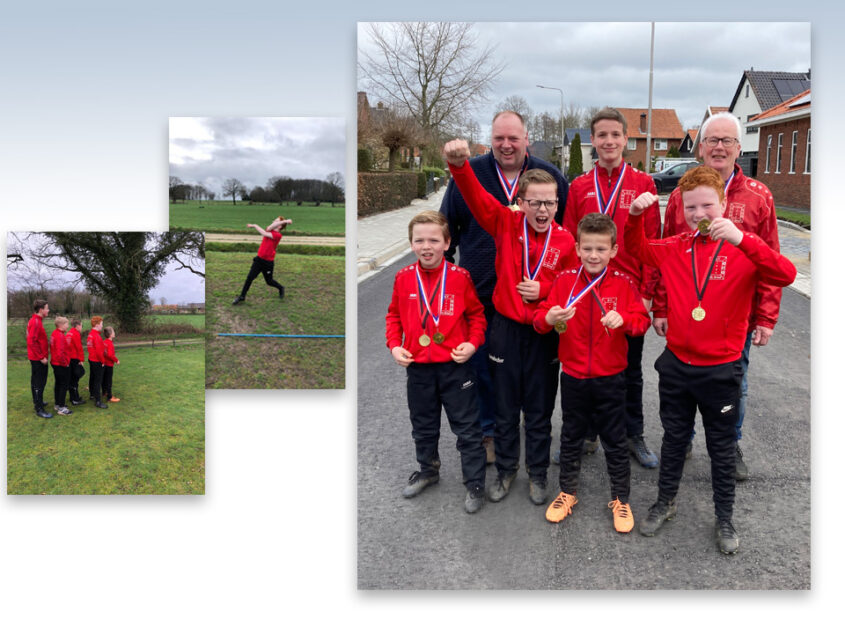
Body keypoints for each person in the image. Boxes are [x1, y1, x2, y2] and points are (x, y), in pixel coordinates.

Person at [625, 166, 796, 554]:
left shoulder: (744, 245)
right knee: (673, 441)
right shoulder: (677, 245)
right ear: (681, 210)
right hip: (678, 366)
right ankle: (665, 502)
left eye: (707, 205)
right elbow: (639, 250)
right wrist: (635, 217)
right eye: (690, 208)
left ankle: (724, 516)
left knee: (720, 448)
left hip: (722, 369)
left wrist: (742, 239)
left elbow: (785, 274)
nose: (699, 214)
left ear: (723, 204)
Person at [444, 137, 576, 506]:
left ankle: (537, 473)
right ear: (520, 203)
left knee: (539, 408)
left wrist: (545, 289)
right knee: (504, 407)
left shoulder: (566, 241)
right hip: (504, 328)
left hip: (544, 331)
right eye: (535, 201)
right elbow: (475, 197)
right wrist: (459, 166)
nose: (543, 209)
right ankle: (505, 470)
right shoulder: (505, 222)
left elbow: (568, 289)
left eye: (550, 202)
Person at [653, 112, 782, 479]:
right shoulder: (681, 196)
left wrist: (767, 317)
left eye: (727, 141)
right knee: (682, 382)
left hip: (735, 317)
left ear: (739, 149)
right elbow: (666, 255)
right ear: (700, 148)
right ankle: (684, 438)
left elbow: (772, 261)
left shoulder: (759, 197)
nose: (720, 147)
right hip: (686, 313)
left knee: (735, 384)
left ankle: (730, 442)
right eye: (713, 140)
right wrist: (660, 306)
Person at [534, 213, 650, 532]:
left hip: (611, 377)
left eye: (601, 249)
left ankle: (621, 499)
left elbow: (642, 322)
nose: (594, 255)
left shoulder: (624, 283)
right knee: (571, 436)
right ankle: (567, 492)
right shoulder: (564, 280)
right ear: (577, 247)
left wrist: (624, 320)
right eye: (587, 248)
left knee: (615, 439)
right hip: (573, 375)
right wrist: (549, 317)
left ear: (613, 250)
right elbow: (540, 319)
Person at [562, 107, 662, 468]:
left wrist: (648, 292)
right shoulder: (579, 186)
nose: (608, 141)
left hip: (628, 293)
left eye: (615, 135)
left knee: (629, 370)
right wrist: (572, 290)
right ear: (593, 140)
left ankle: (632, 433)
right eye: (601, 135)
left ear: (625, 139)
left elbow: (653, 243)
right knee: (586, 365)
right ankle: (588, 432)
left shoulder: (643, 184)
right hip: (587, 292)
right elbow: (570, 239)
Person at [385, 210, 488, 514]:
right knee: (423, 425)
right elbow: (393, 315)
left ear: (447, 243)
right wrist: (394, 346)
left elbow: (476, 316)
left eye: (433, 240)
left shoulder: (460, 278)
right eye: (419, 240)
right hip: (418, 367)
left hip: (455, 367)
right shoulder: (403, 278)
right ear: (411, 244)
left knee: (468, 429)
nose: (426, 246)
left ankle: (475, 482)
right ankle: (428, 470)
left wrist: (472, 343)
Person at [232, 216, 293, 305]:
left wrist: (286, 221)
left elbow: (264, 234)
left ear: (280, 226)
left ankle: (281, 288)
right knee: (249, 278)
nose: (274, 222)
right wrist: (255, 225)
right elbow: (267, 229)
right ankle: (242, 296)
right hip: (259, 260)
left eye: (276, 221)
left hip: (268, 263)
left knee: (269, 281)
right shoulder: (269, 229)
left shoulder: (278, 235)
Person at [27, 299, 52, 419]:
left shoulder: (36, 321)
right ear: (41, 310)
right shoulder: (35, 322)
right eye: (47, 308)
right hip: (38, 359)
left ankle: (38, 402)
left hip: (36, 357)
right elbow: (31, 341)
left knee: (36, 382)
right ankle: (39, 409)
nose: (48, 310)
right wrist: (41, 357)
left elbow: (37, 339)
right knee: (39, 383)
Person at [50, 316, 73, 415]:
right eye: (67, 324)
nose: (68, 325)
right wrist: (65, 364)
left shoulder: (54, 333)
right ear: (61, 325)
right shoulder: (59, 336)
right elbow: (60, 353)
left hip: (55, 363)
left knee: (58, 384)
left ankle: (58, 404)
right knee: (63, 385)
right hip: (60, 364)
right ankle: (62, 408)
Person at [87, 316, 108, 409]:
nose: (102, 326)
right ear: (97, 324)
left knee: (92, 378)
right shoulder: (96, 336)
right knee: (97, 381)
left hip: (91, 359)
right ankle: (98, 401)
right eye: (101, 324)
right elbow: (99, 352)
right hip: (97, 361)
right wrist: (103, 361)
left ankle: (92, 394)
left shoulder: (90, 334)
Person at [67, 318, 86, 405]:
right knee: (75, 379)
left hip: (69, 359)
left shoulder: (69, 333)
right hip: (75, 358)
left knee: (71, 378)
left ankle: (73, 397)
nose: (82, 327)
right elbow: (79, 348)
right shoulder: (76, 333)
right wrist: (81, 359)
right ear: (77, 325)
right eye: (81, 325)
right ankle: (75, 399)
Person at [102, 326, 120, 403]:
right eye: (113, 332)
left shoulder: (104, 342)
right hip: (109, 365)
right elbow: (110, 355)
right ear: (110, 334)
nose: (114, 333)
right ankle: (110, 397)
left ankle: (104, 392)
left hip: (104, 364)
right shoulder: (109, 343)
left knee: (104, 379)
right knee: (109, 381)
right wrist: (116, 360)